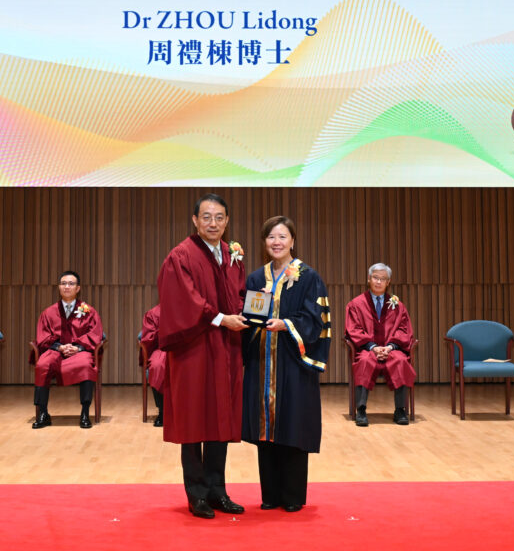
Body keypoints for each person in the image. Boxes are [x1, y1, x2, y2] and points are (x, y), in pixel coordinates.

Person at [157, 193, 248, 519]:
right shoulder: (181, 256)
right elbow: (185, 300)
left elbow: (240, 296)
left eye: (219, 217)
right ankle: (196, 494)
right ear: (195, 220)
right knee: (195, 419)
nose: (213, 223)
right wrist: (222, 319)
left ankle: (217, 491)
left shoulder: (231, 255)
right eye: (206, 217)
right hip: (193, 350)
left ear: (227, 221)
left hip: (226, 349)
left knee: (221, 418)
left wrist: (253, 310)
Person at [242, 216, 331, 512]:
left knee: (293, 425)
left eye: (282, 236)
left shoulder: (308, 277)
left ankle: (292, 496)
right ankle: (270, 495)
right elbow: (250, 320)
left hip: (294, 364)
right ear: (264, 242)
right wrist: (253, 315)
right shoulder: (257, 278)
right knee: (265, 431)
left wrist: (286, 324)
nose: (276, 242)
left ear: (293, 240)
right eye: (271, 237)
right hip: (262, 364)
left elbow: (315, 320)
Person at [345, 263, 416, 426]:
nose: (378, 281)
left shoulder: (397, 305)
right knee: (364, 361)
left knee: (401, 361)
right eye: (375, 277)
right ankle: (361, 410)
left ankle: (400, 410)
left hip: (391, 349)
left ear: (388, 282)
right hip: (367, 349)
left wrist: (390, 347)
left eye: (383, 279)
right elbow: (353, 329)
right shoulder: (356, 304)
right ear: (369, 279)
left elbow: (404, 329)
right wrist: (373, 347)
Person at [31, 270, 103, 429]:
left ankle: (85, 413)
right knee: (42, 365)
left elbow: (95, 334)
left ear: (78, 288)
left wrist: (77, 347)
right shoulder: (48, 313)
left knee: (86, 365)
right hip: (55, 350)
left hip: (80, 351)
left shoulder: (88, 311)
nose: (67, 287)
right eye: (63, 283)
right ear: (59, 287)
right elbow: (43, 336)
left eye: (71, 284)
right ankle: (43, 413)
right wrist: (60, 347)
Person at [140, 305, 166, 427]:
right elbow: (148, 337)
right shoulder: (153, 313)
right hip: (162, 348)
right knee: (156, 366)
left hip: (183, 350)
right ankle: (162, 411)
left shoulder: (187, 309)